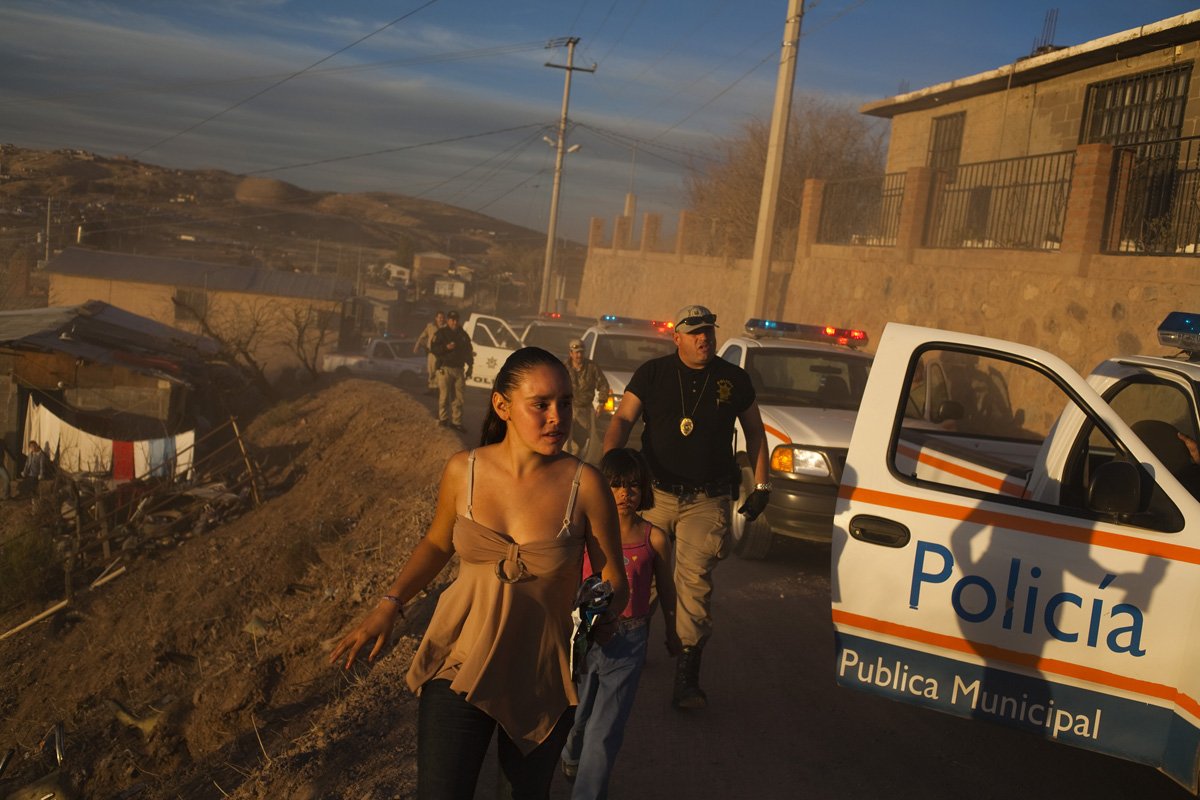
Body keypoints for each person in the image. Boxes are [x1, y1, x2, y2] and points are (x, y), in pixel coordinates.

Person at [330, 346, 629, 799]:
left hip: (541, 677)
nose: (557, 417)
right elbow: (437, 544)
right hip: (458, 661)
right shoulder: (463, 470)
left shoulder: (585, 484)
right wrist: (389, 605)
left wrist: (603, 614)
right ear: (502, 406)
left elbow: (613, 578)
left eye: (565, 403)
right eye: (541, 404)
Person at [603, 303, 770, 710]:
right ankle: (629, 643)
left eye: (708, 330)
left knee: (693, 583)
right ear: (676, 336)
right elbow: (623, 420)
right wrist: (611, 466)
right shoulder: (653, 374)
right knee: (640, 572)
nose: (703, 338)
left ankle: (687, 675)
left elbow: (755, 432)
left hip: (706, 499)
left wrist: (762, 485)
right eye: (694, 332)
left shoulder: (733, 379)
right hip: (654, 495)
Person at [560, 448, 680, 797]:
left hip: (629, 640)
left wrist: (673, 630)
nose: (625, 494)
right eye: (615, 485)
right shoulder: (585, 533)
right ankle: (571, 753)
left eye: (633, 485)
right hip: (585, 636)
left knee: (605, 729)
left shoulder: (654, 538)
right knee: (579, 715)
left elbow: (667, 589)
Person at [564, 338, 610, 461]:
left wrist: (601, 403)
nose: (579, 355)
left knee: (583, 440)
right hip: (568, 409)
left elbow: (603, 385)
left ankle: (579, 463)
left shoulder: (592, 367)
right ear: (571, 353)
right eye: (576, 352)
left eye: (581, 352)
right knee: (566, 439)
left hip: (585, 410)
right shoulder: (564, 368)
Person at [430, 310, 474, 432]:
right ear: (448, 320)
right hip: (445, 368)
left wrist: (470, 367)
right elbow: (433, 348)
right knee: (444, 396)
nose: (454, 322)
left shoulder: (463, 335)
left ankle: (456, 422)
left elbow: (468, 352)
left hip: (459, 369)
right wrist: (445, 347)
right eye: (452, 320)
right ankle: (443, 418)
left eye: (456, 320)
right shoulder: (441, 333)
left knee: (459, 398)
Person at [413, 310, 447, 394]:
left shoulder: (447, 328)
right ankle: (431, 389)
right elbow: (422, 336)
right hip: (432, 353)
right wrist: (417, 346)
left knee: (440, 372)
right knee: (431, 370)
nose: (441, 319)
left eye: (443, 318)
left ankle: (438, 390)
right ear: (436, 318)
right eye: (439, 317)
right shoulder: (430, 326)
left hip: (442, 354)